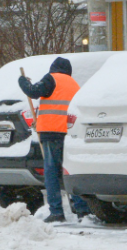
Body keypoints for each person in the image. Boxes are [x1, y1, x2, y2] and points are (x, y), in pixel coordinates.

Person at [18, 58, 91, 223]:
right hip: (70, 133)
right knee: (70, 171)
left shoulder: (51, 78)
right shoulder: (74, 84)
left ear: (53, 69)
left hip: (51, 133)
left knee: (51, 172)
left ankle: (57, 211)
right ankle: (82, 210)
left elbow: (33, 91)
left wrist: (22, 81)